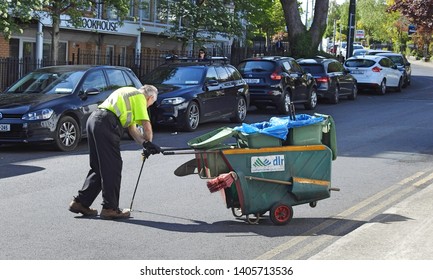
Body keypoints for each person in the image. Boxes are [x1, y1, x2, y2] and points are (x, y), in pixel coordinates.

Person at [68, 85, 161, 219]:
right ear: (150, 97)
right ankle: (110, 208)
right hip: (107, 123)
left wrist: (145, 144)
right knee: (113, 167)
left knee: (99, 167)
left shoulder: (129, 94)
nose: (148, 107)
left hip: (94, 120)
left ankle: (80, 203)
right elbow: (147, 125)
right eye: (150, 104)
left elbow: (133, 130)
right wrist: (150, 142)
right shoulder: (140, 97)